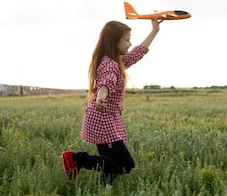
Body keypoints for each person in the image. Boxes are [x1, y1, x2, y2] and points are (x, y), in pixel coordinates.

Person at [61, 18, 162, 182]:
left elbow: (137, 53)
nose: (130, 44)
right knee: (125, 164)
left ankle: (104, 191)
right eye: (127, 39)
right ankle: (75, 159)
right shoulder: (110, 65)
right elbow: (106, 82)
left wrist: (154, 30)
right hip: (103, 122)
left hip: (103, 119)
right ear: (115, 41)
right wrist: (101, 97)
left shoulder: (116, 61)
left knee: (110, 163)